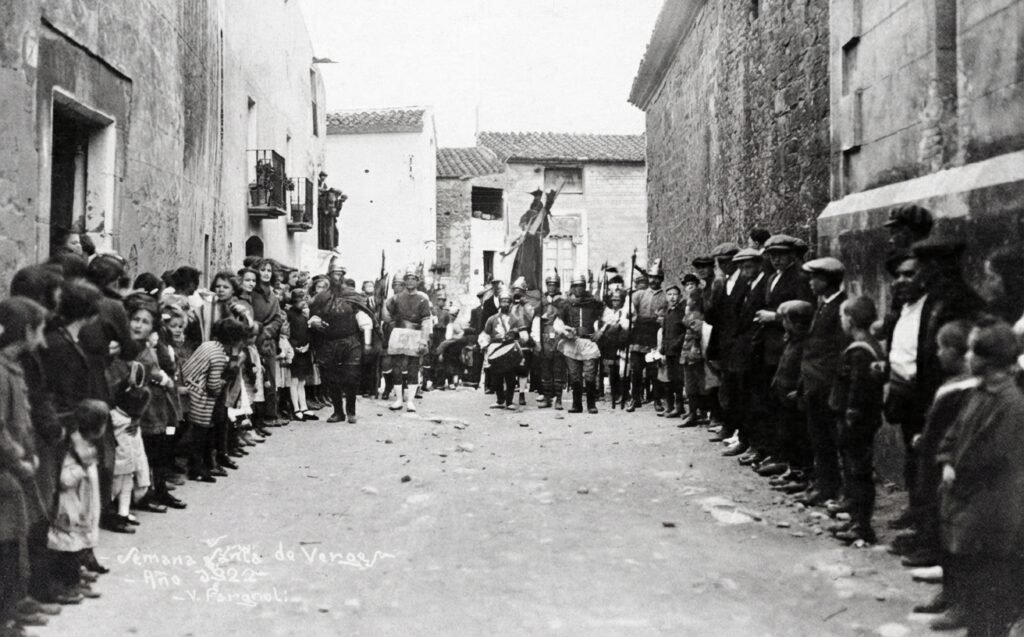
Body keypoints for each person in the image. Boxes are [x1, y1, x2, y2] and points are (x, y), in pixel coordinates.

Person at [936, 320, 1024, 637]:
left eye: (973, 352)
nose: (967, 357)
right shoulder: (978, 393)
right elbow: (955, 432)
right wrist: (946, 461)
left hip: (994, 507)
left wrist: (960, 474)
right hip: (969, 499)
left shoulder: (1012, 404)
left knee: (992, 585)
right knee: (974, 578)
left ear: (987, 360)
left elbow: (997, 457)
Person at [908, 320, 975, 628]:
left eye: (940, 348)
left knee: (958, 539)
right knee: (942, 530)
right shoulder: (955, 383)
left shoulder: (968, 389)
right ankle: (949, 591)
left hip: (951, 471)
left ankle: (963, 602)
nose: (936, 354)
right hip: (935, 466)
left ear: (953, 351)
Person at [0, 298, 48, 631]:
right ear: (25, 331)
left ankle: (11, 609)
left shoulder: (11, 367)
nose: (42, 338)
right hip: (7, 473)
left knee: (14, 545)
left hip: (13, 468)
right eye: (39, 329)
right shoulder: (1, 373)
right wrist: (19, 461)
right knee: (6, 548)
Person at [750, 235, 814, 471]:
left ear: (791, 255)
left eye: (781, 255)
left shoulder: (799, 277)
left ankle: (791, 460)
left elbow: (805, 311)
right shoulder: (772, 278)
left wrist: (774, 317)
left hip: (789, 345)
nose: (776, 259)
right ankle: (778, 454)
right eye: (773, 255)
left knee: (788, 405)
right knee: (773, 402)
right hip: (771, 346)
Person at [829, 296, 885, 545]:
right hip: (860, 419)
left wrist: (851, 414)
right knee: (852, 470)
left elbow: (858, 388)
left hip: (856, 421)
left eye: (842, 317)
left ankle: (862, 526)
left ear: (850, 320)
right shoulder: (869, 345)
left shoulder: (861, 350)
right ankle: (854, 518)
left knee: (858, 471)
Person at [794, 257, 849, 506]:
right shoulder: (823, 305)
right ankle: (825, 486)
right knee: (819, 439)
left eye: (815, 278)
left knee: (832, 439)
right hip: (814, 385)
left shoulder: (841, 308)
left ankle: (836, 489)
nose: (811, 283)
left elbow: (839, 352)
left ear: (827, 281)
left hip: (828, 386)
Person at [47, 400, 108, 606]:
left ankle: (75, 579)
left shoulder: (86, 444)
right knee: (69, 547)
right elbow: (64, 479)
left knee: (78, 543)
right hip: (71, 505)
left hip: (83, 504)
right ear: (98, 428)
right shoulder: (75, 448)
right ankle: (68, 585)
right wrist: (82, 468)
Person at [180, 318, 248, 482]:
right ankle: (197, 468)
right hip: (199, 395)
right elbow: (213, 385)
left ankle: (200, 465)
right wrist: (223, 382)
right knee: (200, 434)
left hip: (187, 386)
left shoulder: (208, 345)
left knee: (198, 433)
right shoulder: (218, 356)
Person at [308, 264, 374, 422]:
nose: (337, 277)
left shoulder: (353, 296)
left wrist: (367, 343)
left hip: (350, 341)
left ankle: (351, 411)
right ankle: (338, 412)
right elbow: (313, 315)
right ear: (329, 275)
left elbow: (365, 319)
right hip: (329, 341)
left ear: (344, 275)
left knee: (351, 377)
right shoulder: (321, 298)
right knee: (331, 379)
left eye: (340, 274)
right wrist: (314, 322)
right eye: (334, 274)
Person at [769, 300, 815, 495]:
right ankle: (792, 469)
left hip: (795, 397)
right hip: (784, 393)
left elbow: (806, 370)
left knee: (800, 437)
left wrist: (800, 391)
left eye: (785, 320)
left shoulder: (805, 343)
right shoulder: (792, 340)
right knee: (787, 433)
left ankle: (802, 474)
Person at [383, 270, 431, 412]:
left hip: (415, 334)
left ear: (418, 282)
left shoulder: (423, 299)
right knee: (396, 366)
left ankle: (410, 401)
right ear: (404, 281)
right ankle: (398, 399)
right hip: (398, 332)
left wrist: (424, 339)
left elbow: (426, 321)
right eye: (408, 279)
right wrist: (383, 306)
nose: (410, 281)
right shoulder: (396, 298)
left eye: (413, 279)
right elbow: (386, 316)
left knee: (413, 367)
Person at [556, 273, 605, 414]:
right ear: (572, 287)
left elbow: (606, 316)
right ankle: (576, 405)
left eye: (581, 286)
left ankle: (591, 404)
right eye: (576, 286)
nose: (579, 289)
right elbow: (558, 323)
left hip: (589, 341)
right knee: (574, 375)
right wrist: (565, 331)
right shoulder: (565, 304)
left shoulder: (594, 303)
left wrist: (600, 331)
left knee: (590, 374)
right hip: (572, 342)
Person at [479, 290, 529, 410]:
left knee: (510, 377)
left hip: (511, 349)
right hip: (496, 349)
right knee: (496, 377)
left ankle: (509, 401)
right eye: (503, 301)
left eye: (507, 301)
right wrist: (485, 346)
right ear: (499, 303)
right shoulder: (492, 319)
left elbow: (524, 336)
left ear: (511, 303)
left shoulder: (517, 319)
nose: (505, 303)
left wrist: (518, 334)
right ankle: (500, 400)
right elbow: (485, 334)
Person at [628, 259, 666, 412]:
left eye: (656, 278)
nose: (653, 280)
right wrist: (632, 315)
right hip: (639, 334)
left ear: (661, 279)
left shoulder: (664, 297)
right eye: (651, 277)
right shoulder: (639, 294)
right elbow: (630, 310)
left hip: (654, 336)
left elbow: (666, 317)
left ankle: (657, 399)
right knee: (636, 370)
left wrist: (662, 320)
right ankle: (634, 398)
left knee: (654, 371)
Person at [285, 289, 316, 421]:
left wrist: (308, 345)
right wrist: (294, 347)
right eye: (300, 300)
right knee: (294, 381)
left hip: (304, 350)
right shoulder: (289, 315)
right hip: (295, 351)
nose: (303, 303)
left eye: (304, 300)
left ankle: (304, 407)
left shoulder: (304, 315)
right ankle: (296, 408)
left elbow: (308, 332)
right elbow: (287, 333)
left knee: (302, 381)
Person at [597, 288, 629, 408]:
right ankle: (614, 393)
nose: (616, 302)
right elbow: (604, 327)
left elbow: (625, 326)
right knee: (612, 369)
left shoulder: (624, 312)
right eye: (614, 300)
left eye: (618, 300)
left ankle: (624, 392)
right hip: (610, 344)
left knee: (623, 370)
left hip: (621, 343)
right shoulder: (608, 312)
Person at [659, 282, 686, 418]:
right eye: (669, 294)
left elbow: (684, 332)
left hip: (679, 351)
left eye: (675, 294)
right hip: (668, 351)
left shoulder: (682, 312)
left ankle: (679, 407)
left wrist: (677, 344)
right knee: (669, 380)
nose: (672, 297)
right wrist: (663, 347)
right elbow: (664, 332)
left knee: (678, 380)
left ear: (680, 296)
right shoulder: (667, 313)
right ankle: (669, 406)